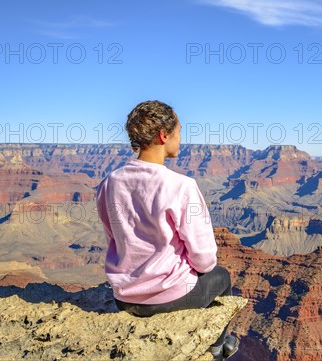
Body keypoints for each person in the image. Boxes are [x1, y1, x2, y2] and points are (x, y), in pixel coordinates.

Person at [95, 100, 239, 360]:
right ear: (164, 135)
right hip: (168, 297)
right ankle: (219, 348)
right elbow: (204, 260)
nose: (181, 139)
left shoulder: (109, 183)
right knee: (222, 277)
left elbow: (114, 237)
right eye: (179, 131)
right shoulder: (181, 186)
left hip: (125, 297)